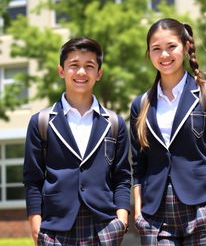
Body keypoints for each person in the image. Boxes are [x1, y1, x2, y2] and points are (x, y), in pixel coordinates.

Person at [130, 18, 206, 245]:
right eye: (156, 49)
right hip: (155, 215)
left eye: (171, 47)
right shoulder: (140, 104)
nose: (164, 55)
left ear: (185, 47)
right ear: (149, 54)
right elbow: (139, 165)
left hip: (202, 207)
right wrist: (139, 214)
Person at [23, 37, 131, 246]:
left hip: (104, 227)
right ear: (61, 71)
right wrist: (36, 225)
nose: (81, 72)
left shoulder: (115, 123)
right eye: (74, 65)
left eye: (89, 66)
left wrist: (121, 221)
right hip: (55, 228)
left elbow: (122, 177)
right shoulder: (41, 122)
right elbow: (32, 179)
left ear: (98, 73)